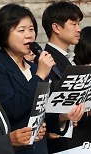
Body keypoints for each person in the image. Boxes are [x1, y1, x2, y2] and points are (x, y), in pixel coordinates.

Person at [0, 3, 55, 154]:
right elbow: (13, 108)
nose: (29, 35)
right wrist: (39, 76)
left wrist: (62, 118)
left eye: (31, 29)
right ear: (4, 34)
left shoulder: (33, 68)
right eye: (21, 30)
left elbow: (43, 109)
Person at [42, 1, 85, 153]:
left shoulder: (73, 58)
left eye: (78, 24)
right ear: (56, 27)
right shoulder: (45, 61)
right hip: (64, 145)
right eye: (73, 24)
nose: (79, 29)